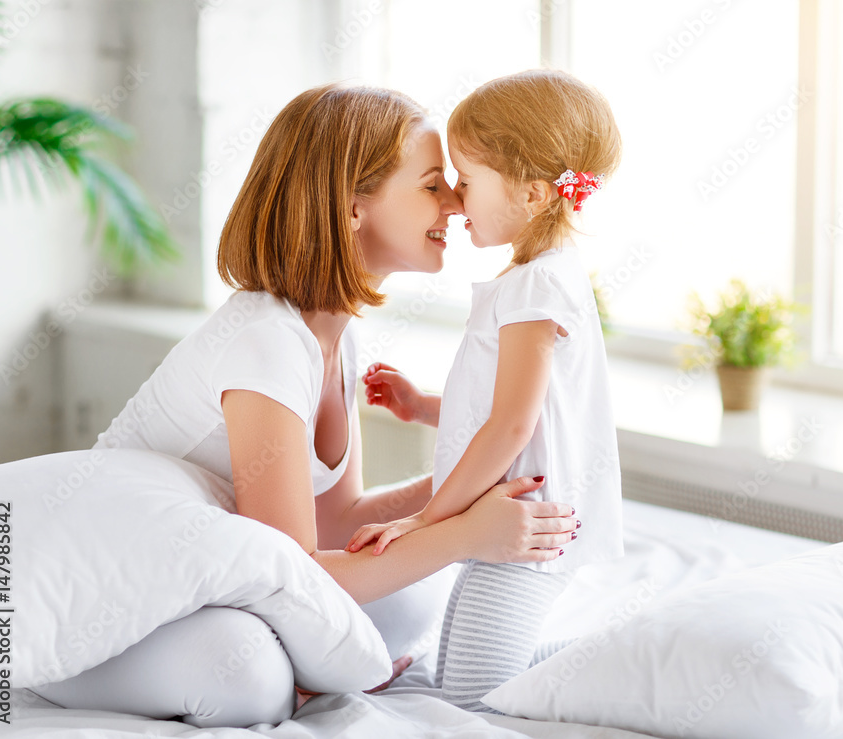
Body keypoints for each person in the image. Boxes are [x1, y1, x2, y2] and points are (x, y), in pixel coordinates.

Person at [29, 83, 578, 728]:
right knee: (249, 675)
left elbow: (338, 519)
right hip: (108, 599)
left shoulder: (335, 335)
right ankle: (290, 679)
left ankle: (308, 674)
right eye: (432, 184)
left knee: (413, 593)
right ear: (351, 207)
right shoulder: (266, 341)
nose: (457, 202)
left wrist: (467, 492)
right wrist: (461, 532)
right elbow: (292, 573)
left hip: (211, 584)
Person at [346, 70, 624, 712]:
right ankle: (633, 660)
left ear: (529, 195)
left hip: (524, 528)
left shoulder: (534, 289)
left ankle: (641, 663)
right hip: (516, 517)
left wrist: (427, 520)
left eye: (466, 184)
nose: (452, 199)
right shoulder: (537, 279)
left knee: (471, 694)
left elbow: (511, 428)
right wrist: (421, 409)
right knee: (473, 676)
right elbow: (515, 412)